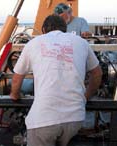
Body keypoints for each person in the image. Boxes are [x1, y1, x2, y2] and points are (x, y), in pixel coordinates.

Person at [10, 15, 102, 146]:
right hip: (75, 118)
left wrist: (14, 95)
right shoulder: (81, 42)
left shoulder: (33, 43)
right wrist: (86, 96)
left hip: (43, 120)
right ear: (65, 29)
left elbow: (17, 78)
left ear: (43, 30)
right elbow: (97, 73)